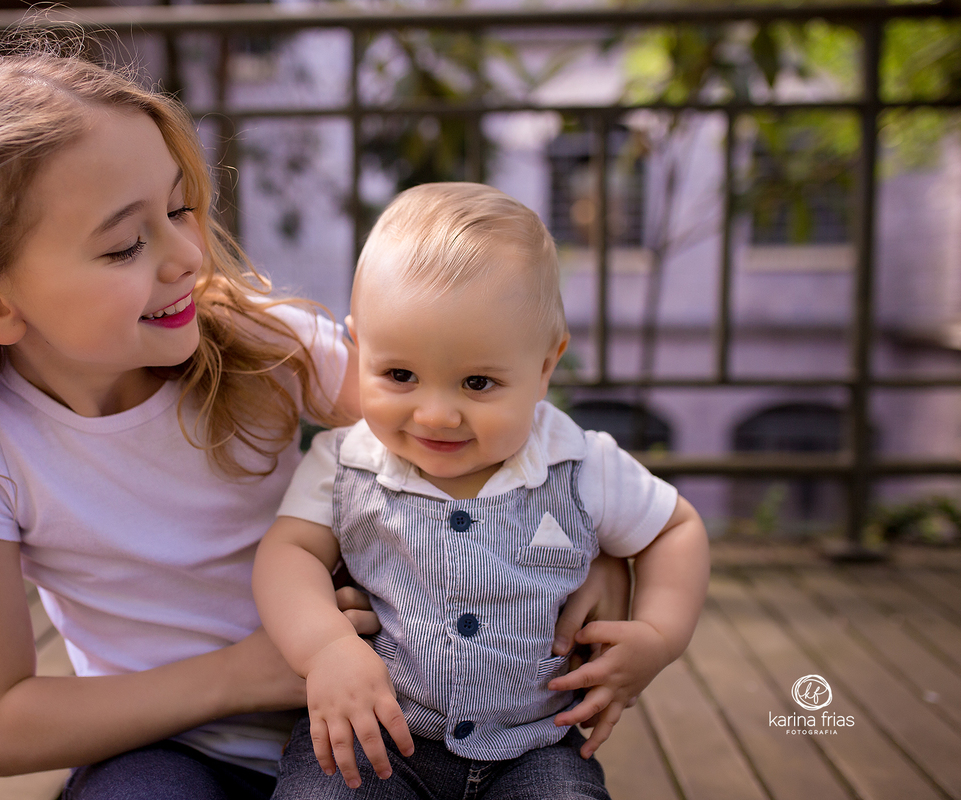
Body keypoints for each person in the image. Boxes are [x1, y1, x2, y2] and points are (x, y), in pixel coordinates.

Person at [0, 39, 629, 800]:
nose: (189, 255)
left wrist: (603, 561)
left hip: (398, 727)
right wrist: (247, 675)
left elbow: (479, 430)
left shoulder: (263, 349)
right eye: (125, 245)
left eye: (180, 208)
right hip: (169, 744)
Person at [253, 182, 711, 799]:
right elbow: (289, 555)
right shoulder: (344, 460)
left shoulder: (577, 461)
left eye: (477, 382)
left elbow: (675, 529)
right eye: (400, 375)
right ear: (358, 348)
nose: (436, 414)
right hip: (377, 735)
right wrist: (326, 648)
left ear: (546, 365)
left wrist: (658, 636)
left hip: (533, 747)